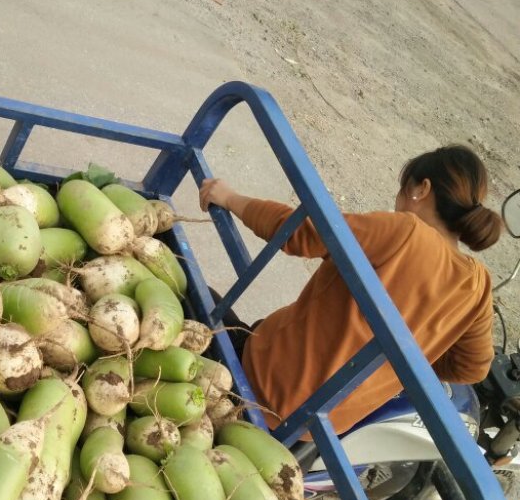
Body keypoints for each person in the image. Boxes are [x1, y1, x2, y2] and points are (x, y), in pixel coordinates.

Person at [198, 144, 503, 436]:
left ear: (421, 189)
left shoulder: (406, 231)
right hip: (313, 427)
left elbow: (300, 231)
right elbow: (470, 368)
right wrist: (398, 362)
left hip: (259, 377)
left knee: (192, 292)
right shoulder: (478, 286)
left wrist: (229, 197)